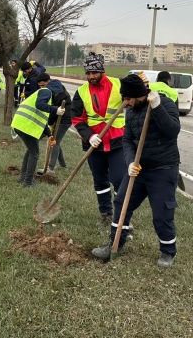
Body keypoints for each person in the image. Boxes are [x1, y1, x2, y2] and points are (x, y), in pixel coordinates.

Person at [92, 74, 181, 268]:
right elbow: (127, 140)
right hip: (139, 169)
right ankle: (115, 243)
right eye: (123, 98)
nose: (125, 103)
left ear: (140, 95)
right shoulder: (131, 111)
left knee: (161, 212)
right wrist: (131, 161)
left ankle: (168, 251)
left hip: (163, 168)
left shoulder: (164, 104)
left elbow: (172, 130)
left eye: (128, 99)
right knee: (122, 201)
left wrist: (157, 107)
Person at [71, 52, 126, 226]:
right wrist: (89, 136)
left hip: (117, 140)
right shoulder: (81, 92)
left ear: (101, 70)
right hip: (94, 144)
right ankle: (106, 214)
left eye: (94, 73)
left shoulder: (118, 85)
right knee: (100, 180)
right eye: (88, 73)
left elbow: (136, 98)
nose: (91, 76)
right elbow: (77, 119)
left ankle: (121, 215)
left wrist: (143, 87)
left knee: (119, 179)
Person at [11, 72, 64, 187]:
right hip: (25, 125)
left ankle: (23, 177)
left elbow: (42, 118)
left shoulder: (42, 93)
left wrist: (49, 135)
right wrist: (55, 110)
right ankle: (28, 182)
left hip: (20, 123)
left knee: (30, 150)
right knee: (34, 153)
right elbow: (39, 105)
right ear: (56, 92)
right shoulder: (47, 92)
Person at [37, 76, 71, 174]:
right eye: (40, 86)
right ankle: (63, 165)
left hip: (65, 120)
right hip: (61, 118)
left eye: (43, 85)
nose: (41, 88)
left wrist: (50, 124)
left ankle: (50, 168)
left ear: (48, 82)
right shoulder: (56, 87)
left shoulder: (53, 92)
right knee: (56, 140)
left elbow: (52, 111)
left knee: (54, 141)